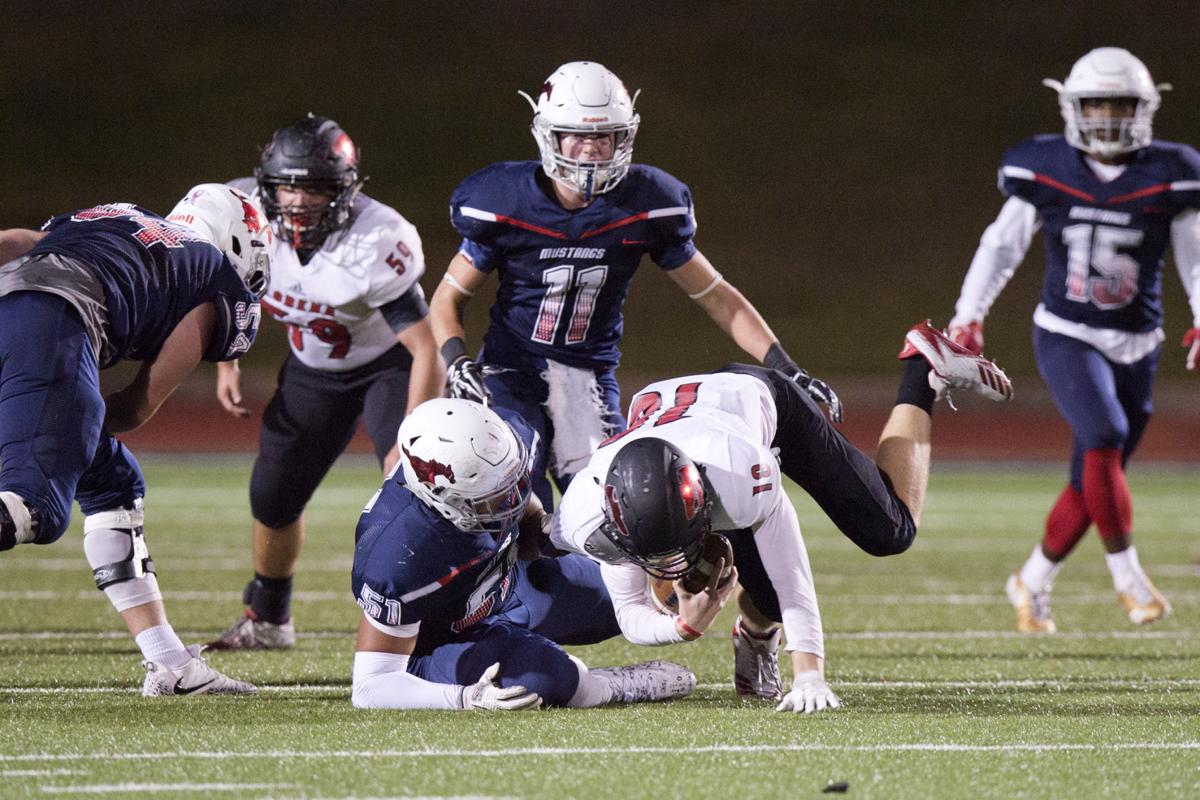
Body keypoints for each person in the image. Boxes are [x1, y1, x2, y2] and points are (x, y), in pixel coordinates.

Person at [429, 61, 841, 510]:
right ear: (549, 136)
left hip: (589, 378)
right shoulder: (502, 202)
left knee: (623, 507)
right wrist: (456, 360)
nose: (591, 151)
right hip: (511, 372)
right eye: (579, 137)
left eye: (603, 137)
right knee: (515, 498)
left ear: (622, 137)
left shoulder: (647, 204)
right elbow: (448, 298)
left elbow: (720, 300)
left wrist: (786, 366)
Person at [548, 322, 1013, 713]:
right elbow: (629, 612)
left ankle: (922, 369)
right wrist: (682, 628)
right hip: (670, 442)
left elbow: (791, 569)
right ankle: (754, 631)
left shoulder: (740, 477)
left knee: (890, 531)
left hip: (761, 403)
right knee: (754, 592)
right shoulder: (587, 516)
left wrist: (809, 673)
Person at [946, 47, 1200, 633]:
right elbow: (1001, 246)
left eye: (1121, 104)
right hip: (1067, 333)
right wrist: (970, 314)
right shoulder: (1047, 168)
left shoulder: (1170, 173)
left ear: (1146, 108)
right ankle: (1130, 581)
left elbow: (1192, 256)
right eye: (1097, 104)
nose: (1108, 117)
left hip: (1139, 341)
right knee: (1105, 436)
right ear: (1072, 108)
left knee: (1092, 479)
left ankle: (1030, 581)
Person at [0, 183, 270, 695]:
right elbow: (138, 404)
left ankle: (172, 663)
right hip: (48, 318)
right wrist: (75, 416)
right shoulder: (212, 275)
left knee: (112, 483)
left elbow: (20, 244)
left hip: (19, 305)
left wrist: (71, 421)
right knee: (35, 509)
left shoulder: (116, 214)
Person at [207, 115, 443, 650]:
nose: (298, 201)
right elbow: (225, 287)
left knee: (415, 491)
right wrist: (228, 357)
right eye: (289, 185)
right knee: (271, 495)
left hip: (388, 365)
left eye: (314, 187)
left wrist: (415, 433)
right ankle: (268, 619)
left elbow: (425, 346)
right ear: (267, 186)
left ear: (343, 190)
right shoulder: (241, 216)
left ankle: (433, 624)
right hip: (312, 369)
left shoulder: (377, 238)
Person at [350, 397, 696, 710]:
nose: (514, 499)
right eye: (497, 498)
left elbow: (526, 515)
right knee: (550, 679)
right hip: (444, 641)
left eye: (514, 482)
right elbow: (371, 686)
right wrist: (463, 698)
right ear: (445, 498)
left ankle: (540, 650)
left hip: (508, 585)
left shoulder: (504, 440)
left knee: (642, 595)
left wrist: (553, 534)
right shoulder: (398, 552)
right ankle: (607, 686)